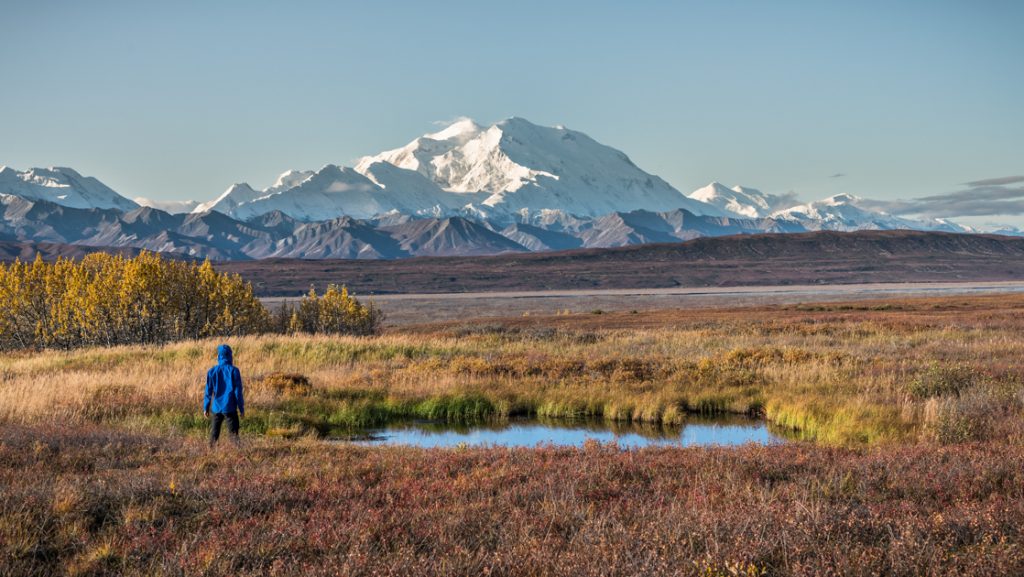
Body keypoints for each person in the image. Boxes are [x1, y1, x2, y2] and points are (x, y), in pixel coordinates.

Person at [203, 344, 244, 447]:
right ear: (230, 355)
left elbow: (208, 391)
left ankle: (210, 454)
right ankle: (237, 455)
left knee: (214, 434)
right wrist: (241, 408)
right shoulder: (234, 370)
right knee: (234, 435)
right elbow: (238, 392)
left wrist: (206, 407)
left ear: (218, 356)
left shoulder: (212, 371)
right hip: (230, 408)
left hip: (216, 407)